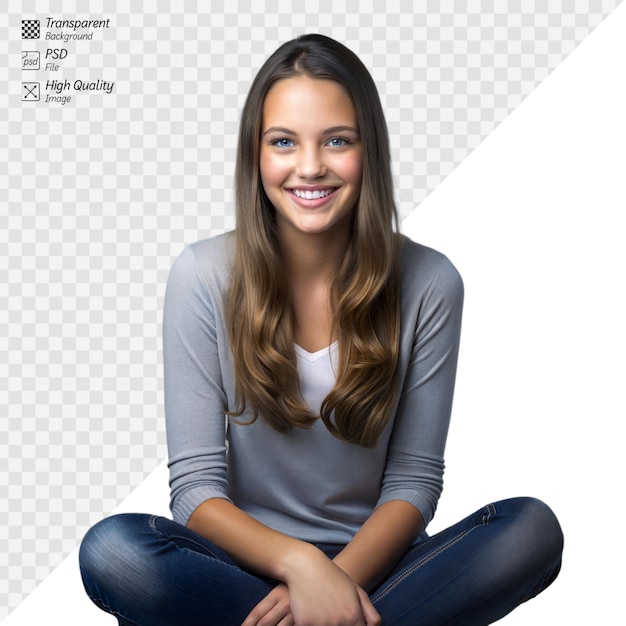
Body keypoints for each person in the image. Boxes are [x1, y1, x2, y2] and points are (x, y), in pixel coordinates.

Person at [79, 34, 563, 625]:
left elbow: (413, 481)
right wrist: (302, 567)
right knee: (113, 550)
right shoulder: (203, 275)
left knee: (530, 530)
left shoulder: (430, 281)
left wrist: (336, 585)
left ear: (370, 153)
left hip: (381, 569)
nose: (310, 166)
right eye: (284, 142)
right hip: (245, 563)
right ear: (255, 158)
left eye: (337, 140)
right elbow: (195, 489)